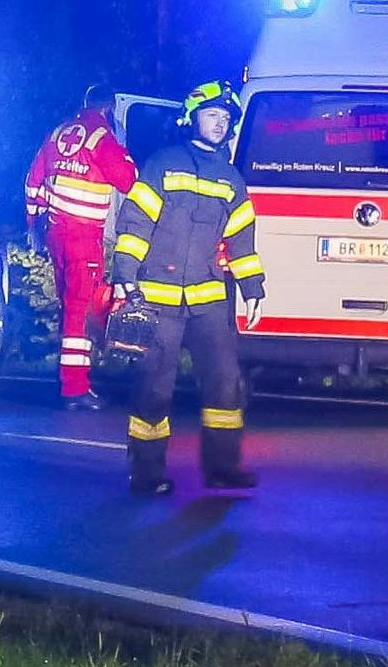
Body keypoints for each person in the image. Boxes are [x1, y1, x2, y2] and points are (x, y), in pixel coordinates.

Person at [108, 79, 264, 497]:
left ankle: (223, 467)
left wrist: (253, 288)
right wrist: (125, 274)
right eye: (213, 115)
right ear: (191, 118)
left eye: (226, 118)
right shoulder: (163, 165)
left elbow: (242, 241)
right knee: (154, 389)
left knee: (225, 383)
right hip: (157, 298)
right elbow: (136, 223)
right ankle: (146, 474)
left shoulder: (231, 179)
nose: (220, 123)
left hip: (209, 297)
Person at [25, 84, 141, 401]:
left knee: (72, 305)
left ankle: (71, 379)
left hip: (55, 233)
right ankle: (74, 388)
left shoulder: (58, 132)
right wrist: (125, 151)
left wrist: (33, 223)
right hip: (83, 236)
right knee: (78, 309)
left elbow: (33, 180)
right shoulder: (101, 137)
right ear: (110, 108)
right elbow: (128, 179)